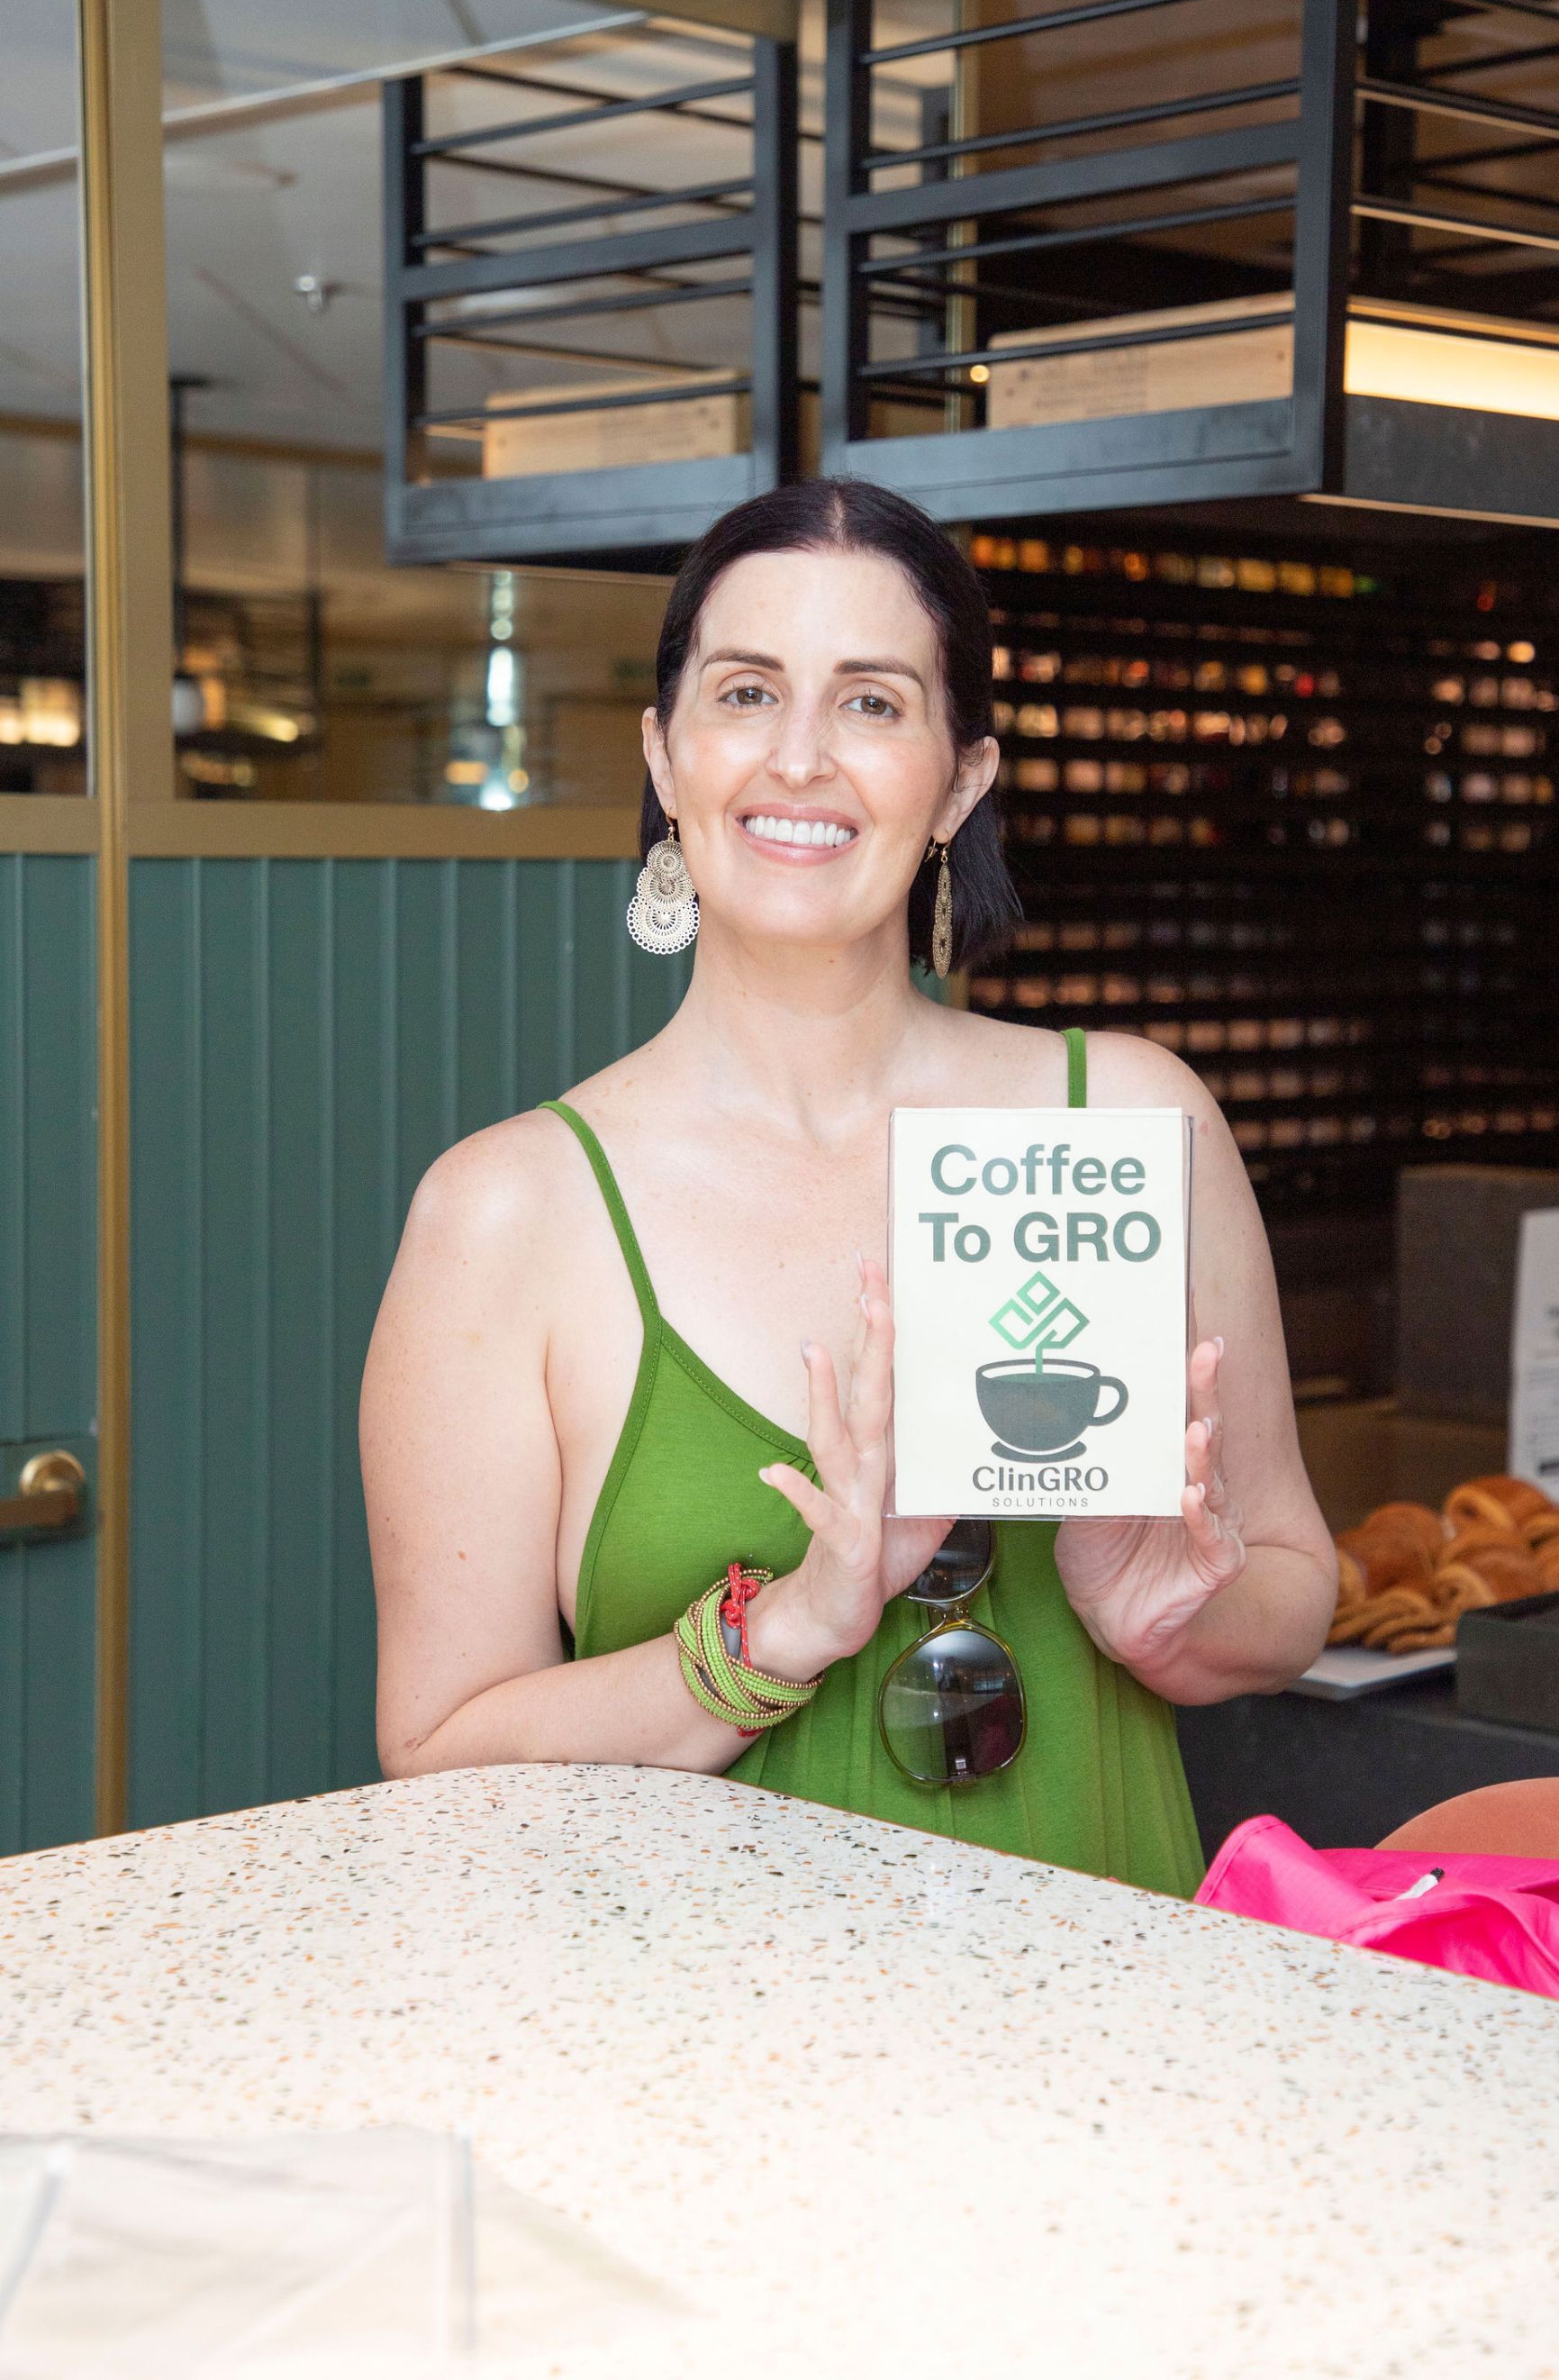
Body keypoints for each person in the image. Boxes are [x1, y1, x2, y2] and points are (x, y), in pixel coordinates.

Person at [362, 478, 1336, 1895]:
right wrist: (785, 1632)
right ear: (666, 753)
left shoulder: (1128, 1117)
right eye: (747, 692)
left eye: (873, 702)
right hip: (699, 2007)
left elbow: (1295, 1589)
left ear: (961, 779)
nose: (801, 757)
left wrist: (1162, 1621)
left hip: (1112, 1983)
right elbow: (441, 1747)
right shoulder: (509, 1211)